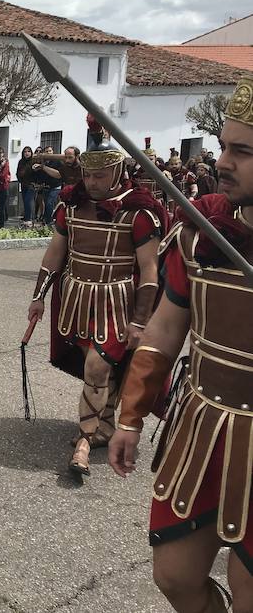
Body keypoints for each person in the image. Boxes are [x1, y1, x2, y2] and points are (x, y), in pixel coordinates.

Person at [108, 76, 253, 612]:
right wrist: (130, 417)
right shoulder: (203, 231)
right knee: (174, 575)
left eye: (243, 151)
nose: (223, 162)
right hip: (205, 426)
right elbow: (166, 331)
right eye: (223, 147)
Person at [27, 114, 167, 476]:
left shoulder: (138, 214)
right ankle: (105, 425)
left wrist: (140, 320)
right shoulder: (69, 207)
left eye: (99, 175)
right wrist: (39, 296)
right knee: (99, 368)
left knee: (97, 366)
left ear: (117, 172)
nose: (91, 182)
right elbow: (54, 255)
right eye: (87, 175)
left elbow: (150, 270)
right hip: (76, 300)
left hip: (116, 304)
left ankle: (85, 441)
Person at [34, 145, 63, 225]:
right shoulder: (42, 162)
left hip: (56, 186)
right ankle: (46, 219)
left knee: (49, 203)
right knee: (46, 203)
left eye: (50, 151)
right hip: (46, 186)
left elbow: (59, 174)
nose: (49, 153)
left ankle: (49, 220)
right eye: (47, 151)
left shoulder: (57, 162)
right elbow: (40, 175)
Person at [15, 145, 36, 225]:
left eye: (28, 151)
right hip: (23, 184)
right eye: (25, 152)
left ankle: (28, 218)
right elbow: (18, 172)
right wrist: (20, 179)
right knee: (25, 201)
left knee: (28, 201)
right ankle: (27, 217)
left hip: (31, 184)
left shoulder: (33, 161)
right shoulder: (21, 162)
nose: (27, 153)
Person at [0, 146, 11, 229]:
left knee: (1, 207)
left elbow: (3, 175)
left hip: (3, 187)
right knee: (1, 205)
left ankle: (1, 225)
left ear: (2, 154)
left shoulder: (5, 163)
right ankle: (4, 218)